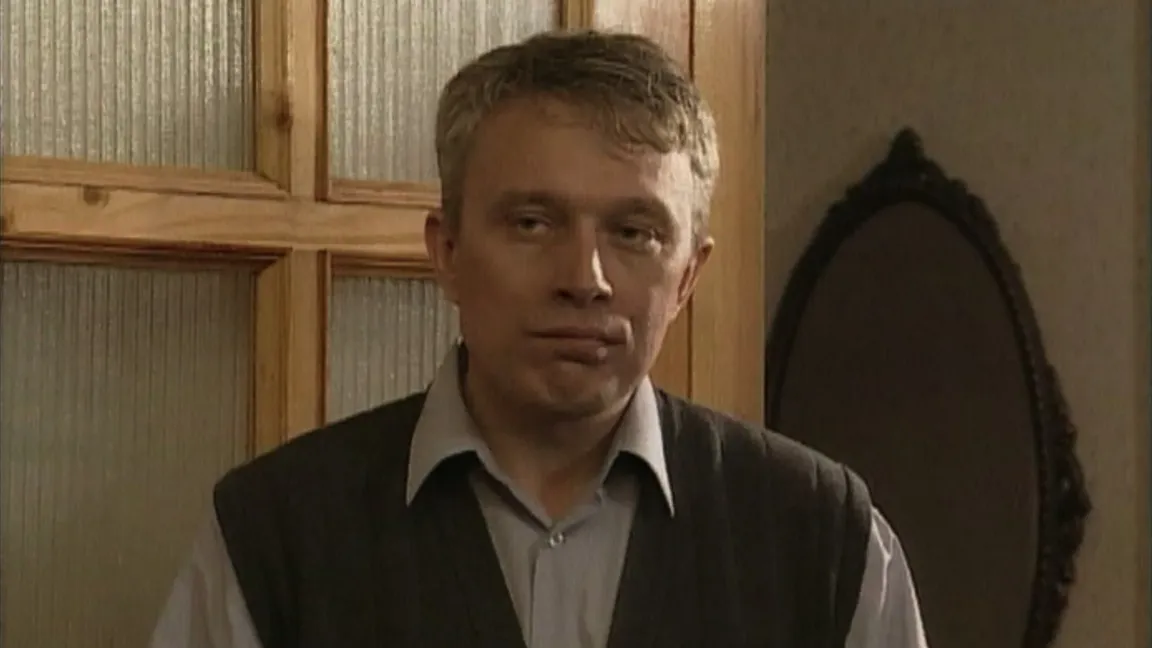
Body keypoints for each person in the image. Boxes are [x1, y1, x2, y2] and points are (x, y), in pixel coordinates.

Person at [150, 29, 929, 648]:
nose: (584, 278)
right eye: (532, 223)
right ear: (447, 252)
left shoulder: (823, 538)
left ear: (689, 276)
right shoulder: (275, 536)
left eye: (634, 232)